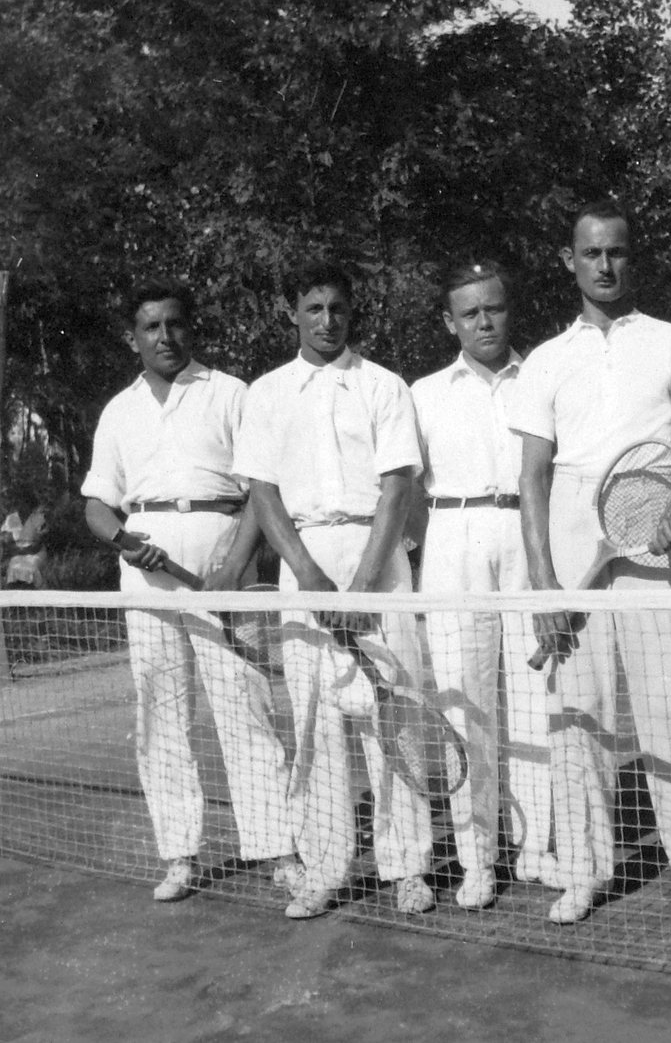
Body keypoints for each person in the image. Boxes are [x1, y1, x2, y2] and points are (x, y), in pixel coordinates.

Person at [510, 200, 671, 924]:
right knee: (579, 713)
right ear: (569, 262)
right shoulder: (546, 358)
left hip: (655, 524)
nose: (605, 266)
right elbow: (534, 478)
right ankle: (583, 870)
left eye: (618, 253)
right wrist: (546, 582)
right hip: (575, 529)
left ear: (634, 258)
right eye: (591, 253)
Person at [81, 278, 300, 905]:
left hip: (225, 564)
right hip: (146, 576)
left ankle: (277, 849)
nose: (165, 337)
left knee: (244, 707)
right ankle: (179, 853)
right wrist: (123, 540)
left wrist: (234, 566)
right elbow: (98, 502)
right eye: (151, 327)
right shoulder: (118, 411)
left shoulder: (231, 393)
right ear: (133, 338)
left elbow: (261, 490)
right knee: (162, 716)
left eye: (175, 324)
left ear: (190, 328)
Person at [236, 259, 435, 919]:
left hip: (378, 567)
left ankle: (407, 865)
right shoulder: (265, 394)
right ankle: (326, 867)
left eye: (338, 309)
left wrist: (363, 583)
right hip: (304, 564)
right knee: (317, 724)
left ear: (353, 314)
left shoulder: (383, 386)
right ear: (291, 312)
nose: (327, 321)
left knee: (394, 718)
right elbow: (262, 493)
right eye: (314, 308)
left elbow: (398, 487)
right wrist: (312, 576)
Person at [411, 260, 562, 908]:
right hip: (454, 540)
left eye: (493, 308)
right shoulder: (422, 392)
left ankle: (538, 849)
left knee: (536, 700)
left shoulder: (543, 378)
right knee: (463, 703)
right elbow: (410, 495)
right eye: (469, 313)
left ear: (509, 308)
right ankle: (479, 858)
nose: (484, 322)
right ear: (450, 322)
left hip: (527, 536)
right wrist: (443, 542)